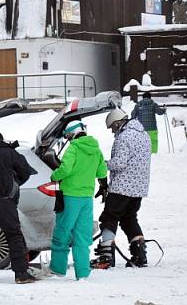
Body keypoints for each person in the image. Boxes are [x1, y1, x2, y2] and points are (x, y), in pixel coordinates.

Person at [45, 121, 107, 280]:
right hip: (86, 198)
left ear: (72, 133)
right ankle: (83, 273)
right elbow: (101, 172)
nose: (68, 138)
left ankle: (58, 269)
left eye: (67, 135)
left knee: (63, 231)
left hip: (70, 196)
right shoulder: (96, 149)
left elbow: (65, 169)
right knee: (82, 236)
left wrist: (54, 176)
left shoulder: (73, 148)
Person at [91, 109, 153, 269]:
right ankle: (139, 255)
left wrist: (102, 164)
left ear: (118, 123)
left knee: (109, 218)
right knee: (129, 218)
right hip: (139, 187)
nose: (112, 130)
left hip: (122, 186)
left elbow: (119, 163)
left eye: (112, 127)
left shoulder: (124, 137)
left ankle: (106, 257)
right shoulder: (143, 135)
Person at [0, 130, 37, 284]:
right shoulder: (9, 152)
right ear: (0, 139)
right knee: (14, 235)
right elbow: (25, 170)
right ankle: (21, 274)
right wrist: (15, 183)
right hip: (5, 200)